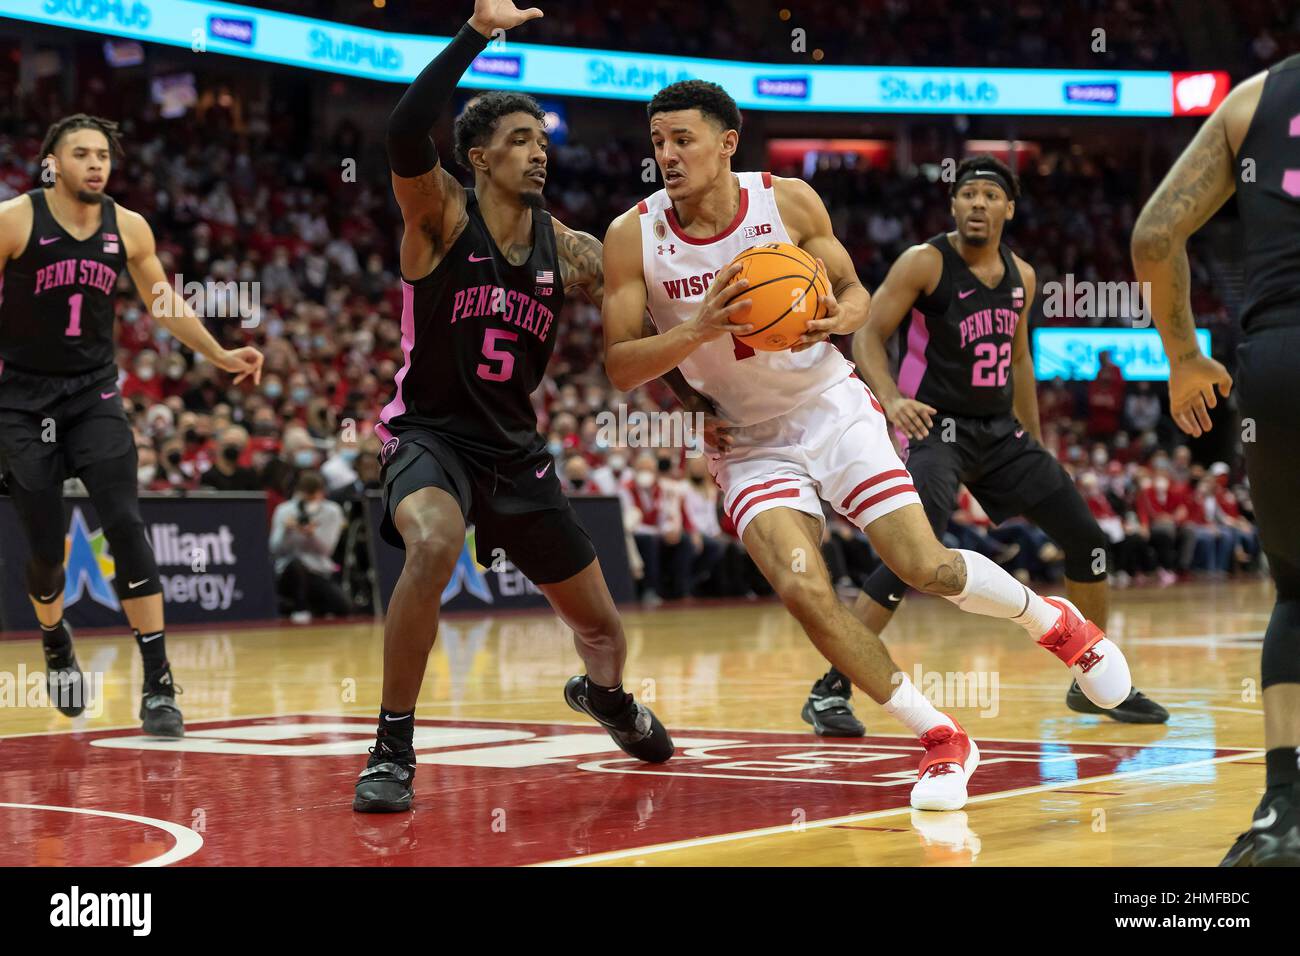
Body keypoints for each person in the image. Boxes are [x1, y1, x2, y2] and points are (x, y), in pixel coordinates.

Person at [602, 85, 1135, 811]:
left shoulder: (786, 202)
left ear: (728, 141)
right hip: (750, 440)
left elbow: (855, 298)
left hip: (829, 406)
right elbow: (621, 363)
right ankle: (943, 738)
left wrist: (826, 320)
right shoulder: (632, 236)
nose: (667, 155)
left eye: (683, 139)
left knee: (924, 564)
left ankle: (1055, 624)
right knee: (804, 591)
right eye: (658, 141)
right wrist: (698, 337)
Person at [355, 0, 677, 814]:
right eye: (520, 141)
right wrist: (476, 34)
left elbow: (651, 312)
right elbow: (401, 131)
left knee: (603, 632)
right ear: (477, 156)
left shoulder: (569, 249)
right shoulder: (439, 216)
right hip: (429, 436)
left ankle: (605, 699)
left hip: (516, 455)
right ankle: (393, 745)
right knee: (430, 542)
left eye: (543, 140)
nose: (539, 153)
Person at [801, 156, 1166, 737]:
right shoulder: (925, 262)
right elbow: (867, 331)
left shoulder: (1022, 275)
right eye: (966, 194)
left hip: (1001, 432)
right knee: (911, 557)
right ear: (953, 206)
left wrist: (1038, 443)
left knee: (1087, 539)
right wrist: (892, 399)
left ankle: (1094, 680)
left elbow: (1020, 359)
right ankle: (830, 688)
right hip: (935, 428)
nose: (976, 204)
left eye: (988, 196)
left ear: (1008, 208)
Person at [0, 113, 263, 736]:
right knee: (44, 550)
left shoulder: (128, 226)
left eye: (104, 156)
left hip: (93, 395)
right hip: (20, 400)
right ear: (52, 164)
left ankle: (159, 682)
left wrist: (221, 353)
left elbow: (164, 303)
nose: (96, 164)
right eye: (82, 154)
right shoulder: (14, 220)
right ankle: (54, 637)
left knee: (123, 520)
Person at [1132, 53, 1300, 866]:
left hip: (1278, 365)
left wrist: (1184, 357)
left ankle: (1283, 813)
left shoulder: (1254, 99)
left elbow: (1154, 235)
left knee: (1296, 591)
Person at [269, 470, 350, 623]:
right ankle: (300, 608)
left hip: (317, 571)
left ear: (322, 493)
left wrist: (311, 535)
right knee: (296, 565)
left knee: (343, 606)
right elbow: (275, 549)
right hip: (288, 572)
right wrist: (285, 531)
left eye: (314, 495)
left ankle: (311, 607)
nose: (310, 501)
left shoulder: (332, 511)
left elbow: (327, 550)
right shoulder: (284, 510)